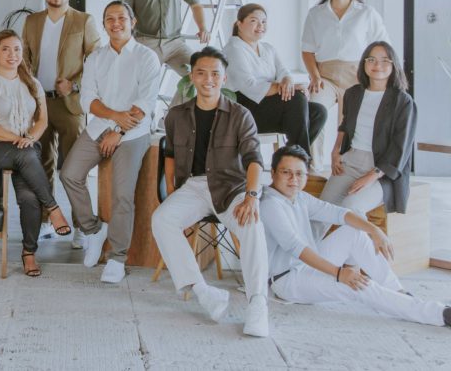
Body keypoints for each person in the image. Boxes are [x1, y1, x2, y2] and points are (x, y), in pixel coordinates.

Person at [150, 47, 270, 337]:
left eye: (215, 73)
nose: (208, 79)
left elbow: (254, 160)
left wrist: (252, 197)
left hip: (231, 187)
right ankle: (204, 292)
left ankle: (258, 303)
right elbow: (169, 155)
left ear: (224, 78)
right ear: (192, 76)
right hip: (193, 187)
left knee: (252, 224)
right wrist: (172, 192)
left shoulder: (240, 115)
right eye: (201, 73)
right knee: (161, 219)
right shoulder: (176, 115)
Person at [262, 145, 450, 328]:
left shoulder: (299, 197)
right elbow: (297, 248)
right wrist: (339, 273)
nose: (293, 179)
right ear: (273, 173)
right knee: (356, 284)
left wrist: (374, 230)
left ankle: (399, 293)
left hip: (307, 266)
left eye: (299, 173)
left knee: (353, 232)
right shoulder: (270, 204)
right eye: (286, 172)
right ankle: (439, 314)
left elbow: (339, 213)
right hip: (288, 280)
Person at [59, 0, 160, 282]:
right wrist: (115, 118)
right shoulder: (96, 58)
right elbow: (87, 99)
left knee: (122, 195)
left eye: (121, 18)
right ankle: (93, 230)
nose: (116, 23)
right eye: (109, 19)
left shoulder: (147, 57)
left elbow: (145, 103)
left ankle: (117, 257)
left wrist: (120, 131)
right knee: (69, 174)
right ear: (104, 24)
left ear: (133, 22)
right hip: (100, 126)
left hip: (133, 133)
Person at [0, 30, 73, 278]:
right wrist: (19, 140)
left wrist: (29, 138)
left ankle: (29, 253)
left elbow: (42, 121)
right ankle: (53, 208)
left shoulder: (32, 83)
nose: (12, 54)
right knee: (26, 154)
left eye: (17, 49)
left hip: (25, 148)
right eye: (5, 49)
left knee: (29, 197)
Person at [21, 0, 100, 241]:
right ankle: (47, 220)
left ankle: (81, 226)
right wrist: (28, 86)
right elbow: (24, 58)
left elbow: (97, 61)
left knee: (75, 169)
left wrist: (75, 84)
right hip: (39, 104)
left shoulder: (84, 21)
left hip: (70, 105)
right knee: (41, 166)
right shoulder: (32, 22)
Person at [318, 41, 416, 223]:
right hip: (350, 162)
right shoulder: (353, 93)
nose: (377, 65)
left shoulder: (403, 101)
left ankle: (362, 242)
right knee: (321, 212)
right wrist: (335, 151)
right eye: (371, 59)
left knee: (351, 207)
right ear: (364, 63)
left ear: (393, 65)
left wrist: (372, 175)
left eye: (384, 60)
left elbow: (400, 146)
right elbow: (345, 125)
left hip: (382, 170)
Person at [301, 0, 389, 159]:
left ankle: (345, 166)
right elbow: (307, 50)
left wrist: (376, 76)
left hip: (356, 77)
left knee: (349, 124)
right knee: (314, 112)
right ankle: (313, 167)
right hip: (325, 77)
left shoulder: (366, 13)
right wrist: (315, 76)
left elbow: (383, 47)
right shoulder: (316, 13)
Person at [224, 3, 326, 161]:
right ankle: (299, 161)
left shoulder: (267, 48)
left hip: (268, 106)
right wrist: (286, 88)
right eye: (254, 21)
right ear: (239, 24)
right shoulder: (234, 49)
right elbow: (249, 86)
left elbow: (283, 71)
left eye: (264, 21)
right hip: (246, 109)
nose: (260, 26)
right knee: (296, 98)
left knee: (318, 112)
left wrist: (287, 80)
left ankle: (289, 158)